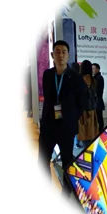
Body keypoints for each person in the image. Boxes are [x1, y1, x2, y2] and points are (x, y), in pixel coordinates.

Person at [40, 40, 89, 189]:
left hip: (66, 128)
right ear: (52, 55)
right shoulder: (47, 74)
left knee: (67, 162)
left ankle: (66, 192)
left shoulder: (75, 77)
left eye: (64, 52)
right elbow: (48, 99)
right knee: (42, 160)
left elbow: (82, 102)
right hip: (48, 127)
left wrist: (72, 119)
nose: (60, 55)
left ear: (68, 55)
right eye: (57, 52)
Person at [76, 61, 100, 149]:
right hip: (92, 111)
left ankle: (87, 150)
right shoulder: (93, 80)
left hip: (82, 111)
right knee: (92, 134)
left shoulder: (79, 79)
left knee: (84, 134)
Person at [90, 63, 106, 133]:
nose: (92, 70)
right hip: (95, 101)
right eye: (92, 69)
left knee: (99, 118)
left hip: (98, 101)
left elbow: (96, 90)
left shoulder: (99, 78)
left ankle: (101, 131)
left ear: (98, 69)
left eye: (94, 68)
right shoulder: (94, 78)